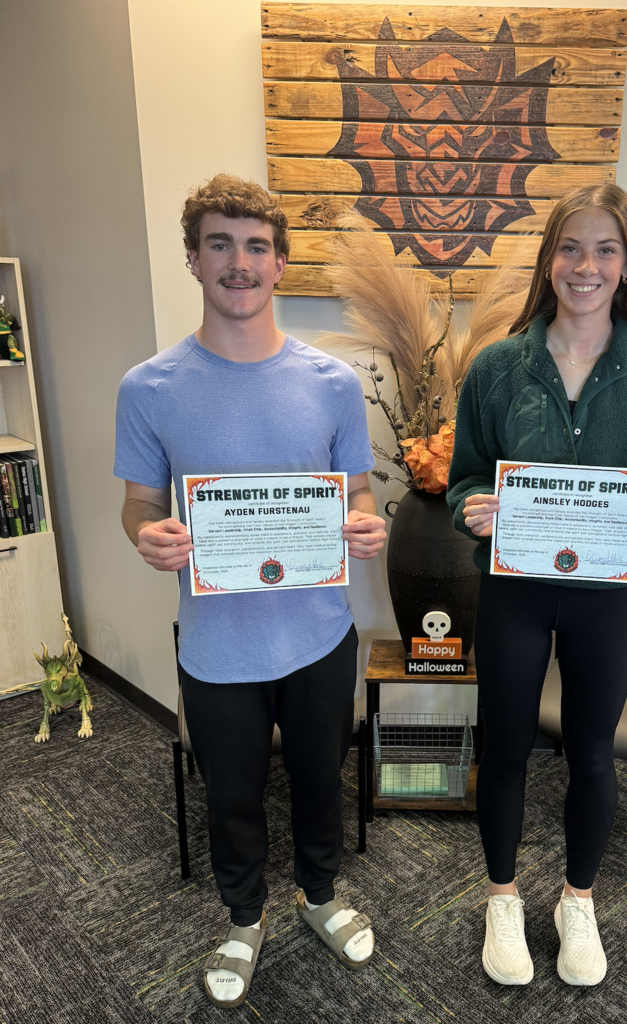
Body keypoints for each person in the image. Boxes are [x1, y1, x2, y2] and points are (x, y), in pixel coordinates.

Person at [114, 174, 387, 1007]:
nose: (240, 263)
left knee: (318, 777)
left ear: (280, 264)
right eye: (221, 245)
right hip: (216, 645)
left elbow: (359, 493)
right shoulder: (148, 388)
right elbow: (137, 506)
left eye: (257, 246)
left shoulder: (333, 383)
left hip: (316, 635)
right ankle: (243, 917)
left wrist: (369, 524)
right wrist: (146, 537)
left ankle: (320, 896)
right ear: (193, 259)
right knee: (230, 795)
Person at [446, 184, 627, 987]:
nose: (585, 266)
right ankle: (502, 897)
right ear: (549, 260)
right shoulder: (496, 367)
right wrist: (473, 509)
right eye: (569, 248)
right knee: (509, 746)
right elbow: (461, 483)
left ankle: (577, 900)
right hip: (517, 592)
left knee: (593, 753)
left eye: (604, 250)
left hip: (607, 597)